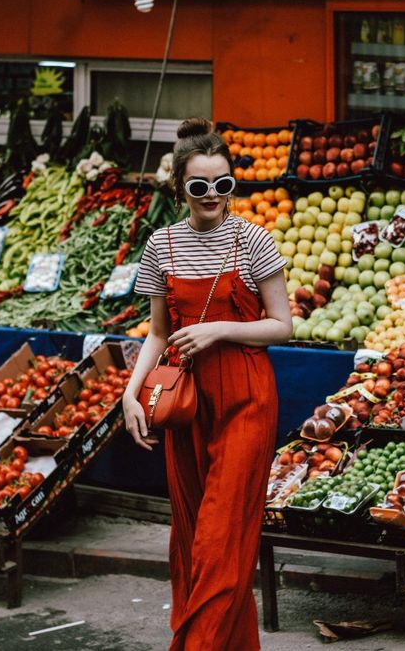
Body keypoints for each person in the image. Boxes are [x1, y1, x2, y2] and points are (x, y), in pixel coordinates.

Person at [123, 117, 292, 650]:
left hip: (247, 398)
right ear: (181, 189)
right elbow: (156, 334)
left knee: (222, 536)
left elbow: (283, 324)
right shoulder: (161, 246)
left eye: (224, 185)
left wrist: (220, 329)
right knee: (195, 537)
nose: (213, 195)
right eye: (200, 186)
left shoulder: (254, 240)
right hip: (187, 405)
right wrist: (131, 392)